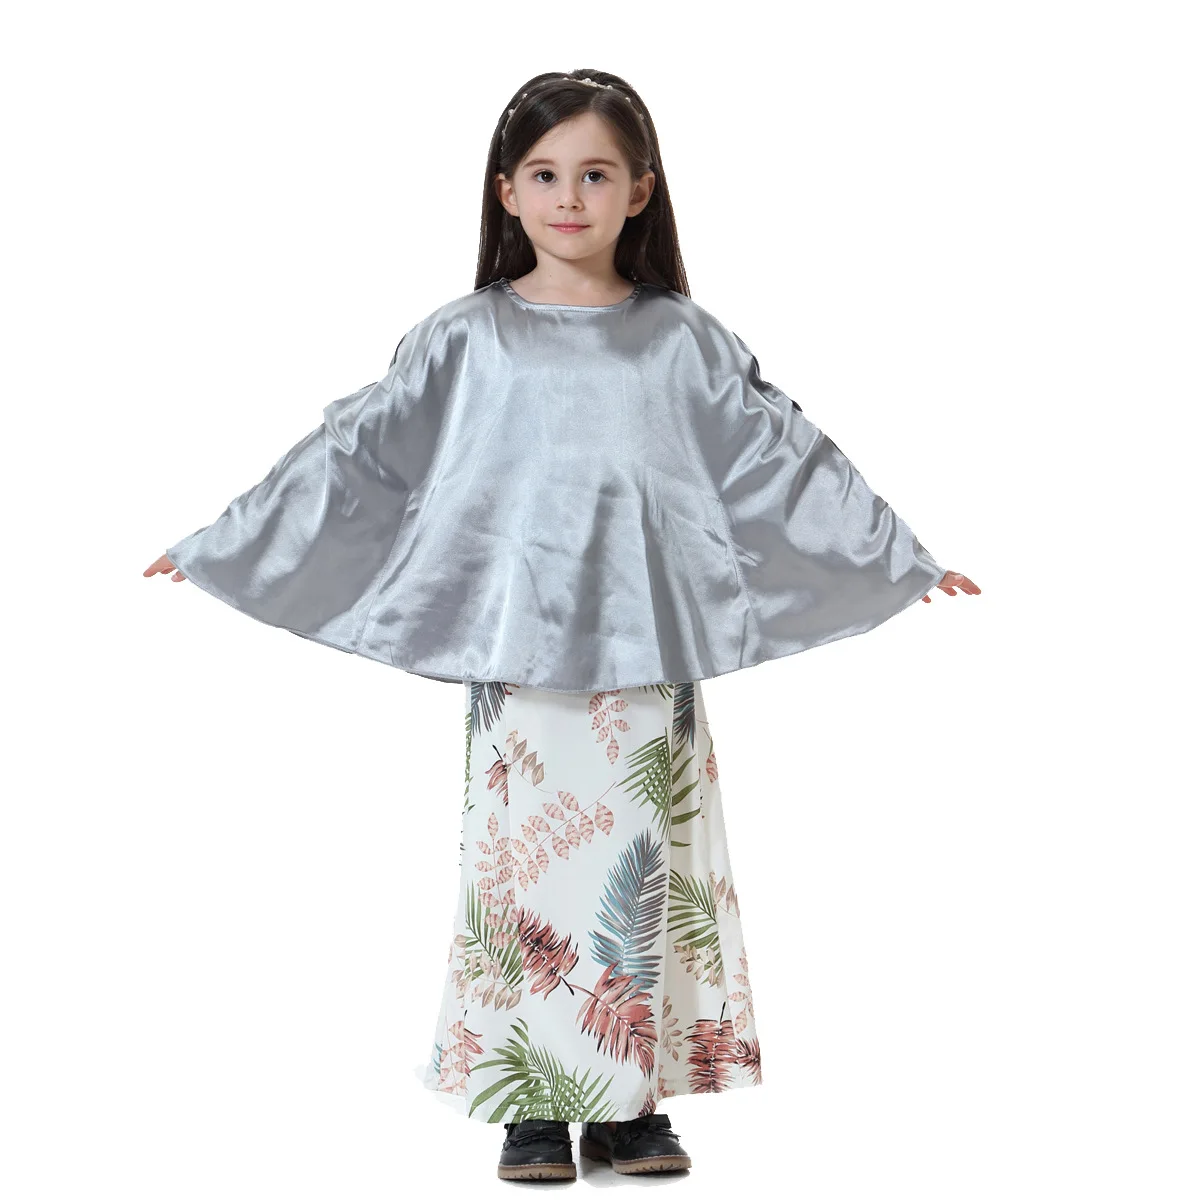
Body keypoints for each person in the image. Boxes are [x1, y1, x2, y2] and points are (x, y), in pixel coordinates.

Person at [145, 68, 980, 1182]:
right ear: (506, 191)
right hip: (520, 661)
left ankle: (632, 1106)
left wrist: (894, 555)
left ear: (641, 190)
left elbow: (780, 454)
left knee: (646, 868)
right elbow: (360, 450)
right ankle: (530, 1103)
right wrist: (230, 540)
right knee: (523, 879)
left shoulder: (682, 341)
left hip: (649, 658)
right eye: (544, 175)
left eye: (595, 174)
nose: (569, 198)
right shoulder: (466, 338)